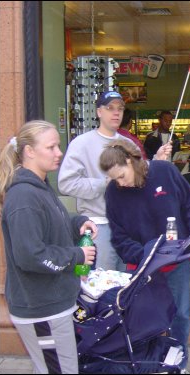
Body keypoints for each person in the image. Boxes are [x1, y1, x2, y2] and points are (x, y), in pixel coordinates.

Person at [100, 139, 190, 374]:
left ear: (131, 161)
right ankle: (149, 366)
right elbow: (119, 238)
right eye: (114, 179)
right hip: (141, 266)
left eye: (121, 176)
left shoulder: (165, 171)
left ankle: (178, 364)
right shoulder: (113, 192)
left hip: (176, 261)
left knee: (179, 315)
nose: (120, 183)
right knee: (144, 319)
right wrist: (147, 256)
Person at [0, 120, 97, 374]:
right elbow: (30, 256)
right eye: (51, 147)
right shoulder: (24, 197)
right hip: (42, 308)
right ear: (29, 151)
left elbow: (53, 225)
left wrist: (78, 224)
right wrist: (77, 255)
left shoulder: (40, 186)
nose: (59, 152)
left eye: (58, 146)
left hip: (52, 304)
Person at [58, 91, 129, 272]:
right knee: (101, 286)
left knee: (127, 287)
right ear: (99, 112)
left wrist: (156, 161)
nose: (116, 113)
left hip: (128, 226)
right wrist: (103, 183)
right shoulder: (81, 144)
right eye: (110, 108)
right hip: (99, 226)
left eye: (120, 109)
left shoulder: (129, 144)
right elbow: (66, 183)